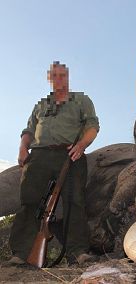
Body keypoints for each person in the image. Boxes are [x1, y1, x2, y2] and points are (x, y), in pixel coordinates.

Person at [6, 61, 99, 266]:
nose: (59, 79)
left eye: (63, 75)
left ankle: (78, 253)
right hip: (39, 157)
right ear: (50, 78)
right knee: (29, 202)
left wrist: (82, 145)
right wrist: (23, 148)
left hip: (70, 155)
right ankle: (20, 254)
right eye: (55, 75)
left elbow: (93, 125)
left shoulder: (81, 100)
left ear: (68, 77)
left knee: (75, 202)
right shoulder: (40, 105)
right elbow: (28, 131)